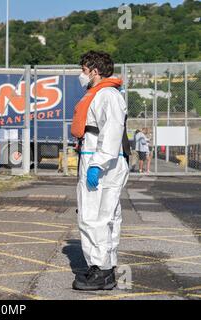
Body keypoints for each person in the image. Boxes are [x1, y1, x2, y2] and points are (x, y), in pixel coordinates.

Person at [71, 51, 130, 291]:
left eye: (84, 70)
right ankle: (105, 268)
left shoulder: (107, 95)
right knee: (106, 216)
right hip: (102, 159)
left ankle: (100, 269)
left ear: (94, 71)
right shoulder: (106, 94)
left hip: (100, 161)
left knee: (92, 216)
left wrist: (97, 164)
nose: (82, 75)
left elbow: (112, 131)